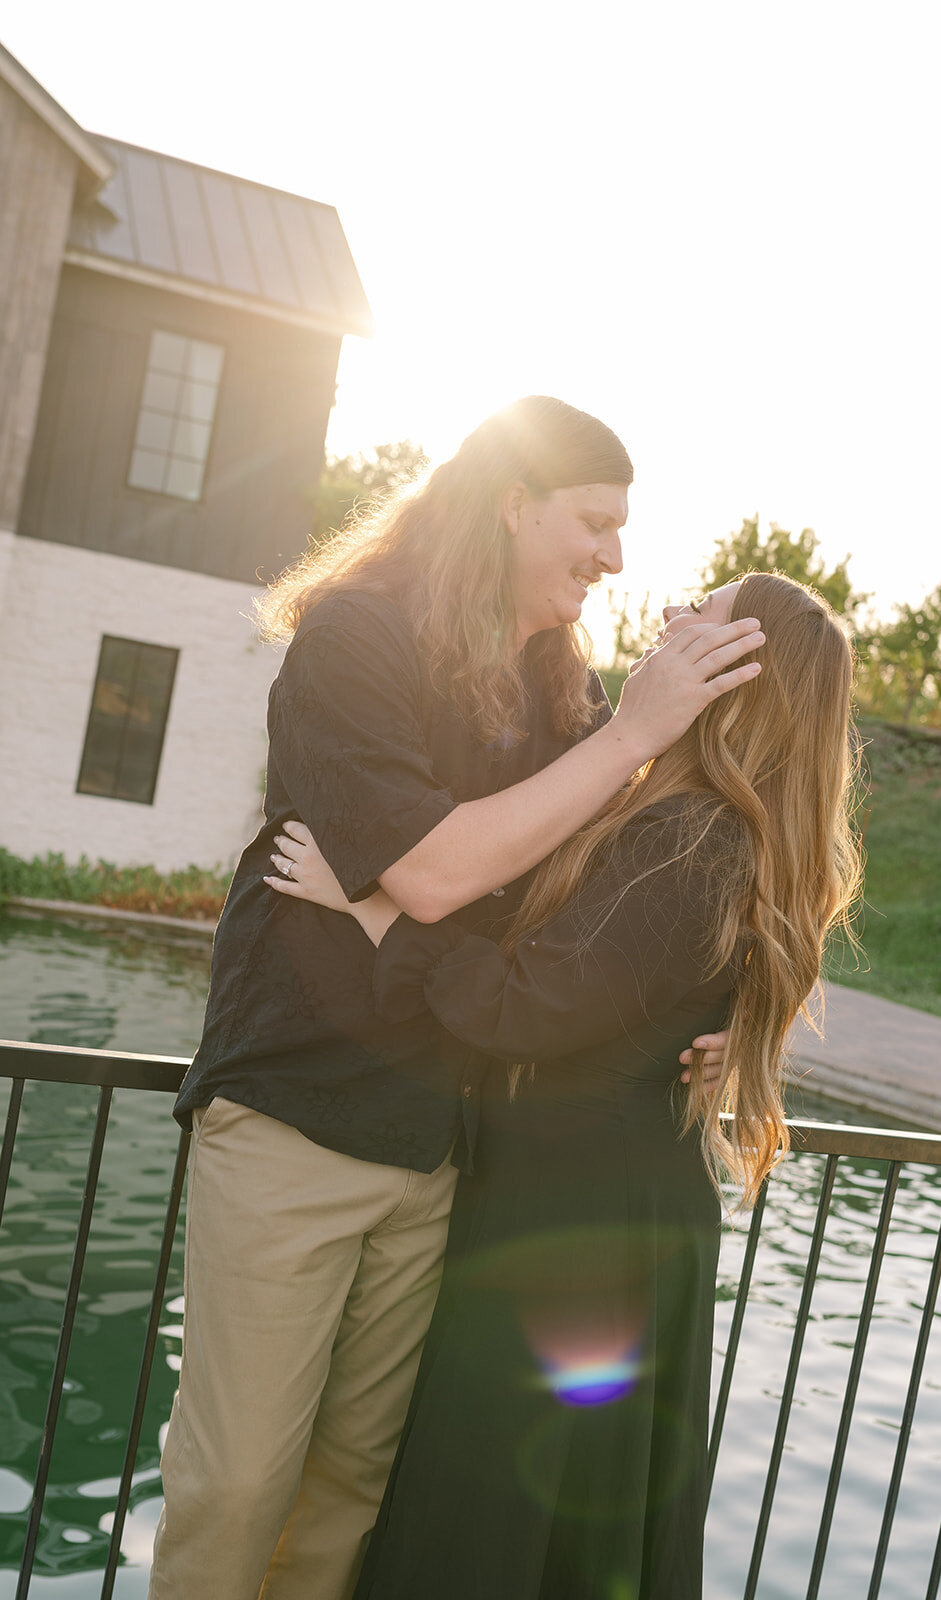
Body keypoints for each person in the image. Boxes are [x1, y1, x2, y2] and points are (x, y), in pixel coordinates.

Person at [148, 397, 763, 1600]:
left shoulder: (558, 685)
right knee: (238, 1482)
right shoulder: (355, 638)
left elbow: (614, 895)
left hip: (444, 1147)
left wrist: (724, 1015)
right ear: (513, 503)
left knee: (348, 1490)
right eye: (593, 521)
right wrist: (629, 737)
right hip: (295, 1119)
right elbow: (430, 870)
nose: (614, 556)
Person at [265, 570, 863, 1600]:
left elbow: (523, 1008)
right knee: (543, 1530)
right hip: (595, 1212)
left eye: (702, 610)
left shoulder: (689, 838)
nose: (671, 613)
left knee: (493, 1526)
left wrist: (373, 907)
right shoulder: (682, 817)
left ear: (732, 672)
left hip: (575, 1234)